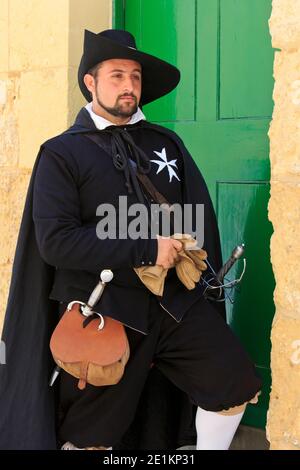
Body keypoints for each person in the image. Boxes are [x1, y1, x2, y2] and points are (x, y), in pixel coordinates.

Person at [0, 29, 261, 450]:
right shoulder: (62, 154)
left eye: (135, 77)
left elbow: (194, 216)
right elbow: (56, 242)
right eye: (117, 75)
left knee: (235, 381)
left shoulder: (166, 145)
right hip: (103, 310)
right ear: (91, 81)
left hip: (173, 303)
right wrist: (145, 247)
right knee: (92, 435)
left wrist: (186, 248)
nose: (129, 87)